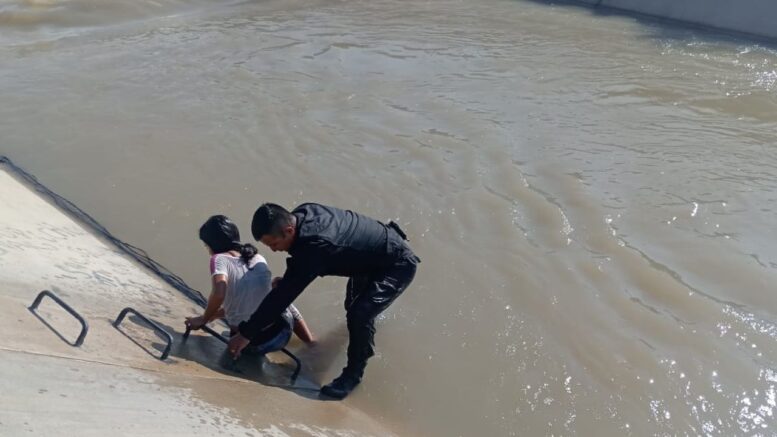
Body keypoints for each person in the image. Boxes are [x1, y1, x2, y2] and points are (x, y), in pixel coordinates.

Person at [227, 203, 420, 399]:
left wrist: (246, 334)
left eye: (274, 244)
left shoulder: (315, 246)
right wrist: (290, 280)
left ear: (289, 230)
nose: (274, 250)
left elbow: (282, 298)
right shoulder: (302, 213)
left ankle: (353, 375)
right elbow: (299, 273)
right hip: (370, 256)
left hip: (397, 264)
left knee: (359, 314)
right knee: (352, 308)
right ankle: (361, 333)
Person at [185, 215, 314, 355]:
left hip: (258, 342)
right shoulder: (257, 257)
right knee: (279, 294)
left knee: (272, 297)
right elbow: (249, 302)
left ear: (212, 244)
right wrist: (214, 315)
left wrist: (203, 319)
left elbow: (219, 293)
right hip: (283, 329)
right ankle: (311, 343)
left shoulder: (219, 259)